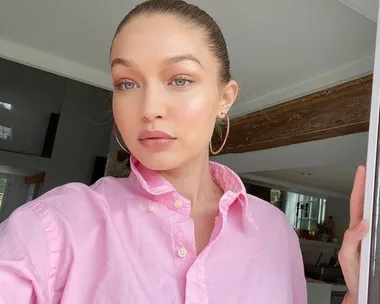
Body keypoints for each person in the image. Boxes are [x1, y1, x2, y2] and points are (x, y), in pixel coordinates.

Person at [0, 1, 368, 303]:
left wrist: (358, 292)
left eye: (179, 79)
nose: (149, 107)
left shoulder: (275, 231)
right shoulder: (51, 229)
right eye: (127, 83)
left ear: (224, 99)